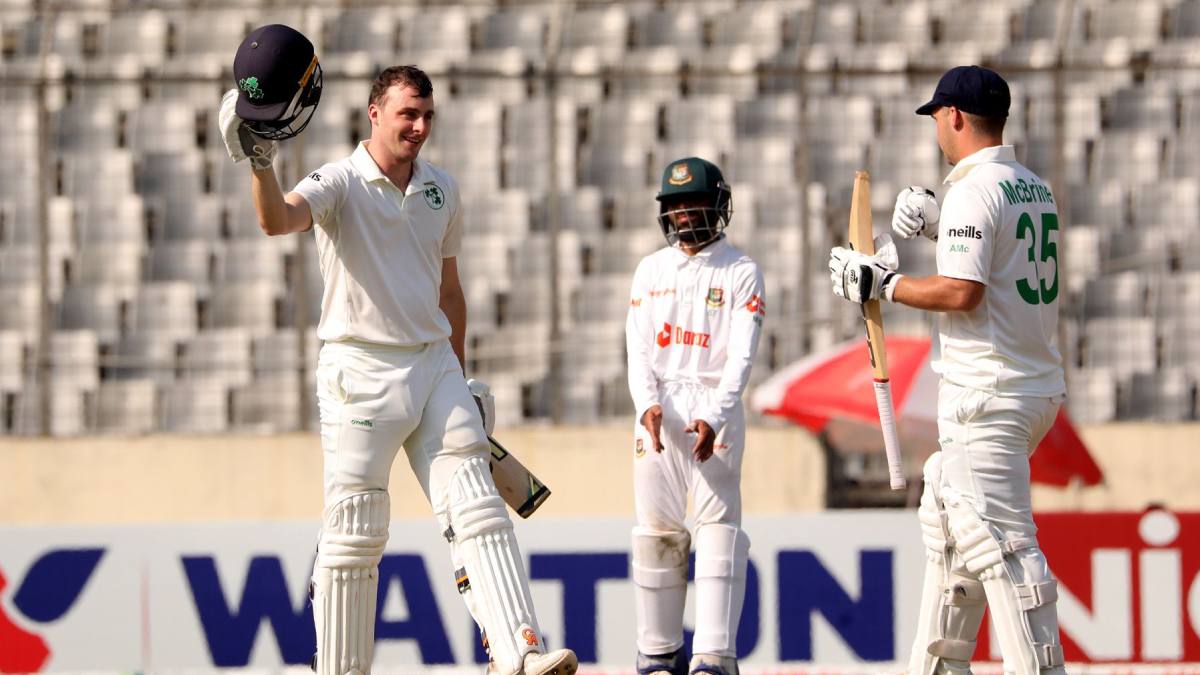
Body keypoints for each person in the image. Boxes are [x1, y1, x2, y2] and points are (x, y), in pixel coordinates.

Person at [217, 27, 577, 675]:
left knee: (477, 505)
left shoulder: (442, 188)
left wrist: (460, 375)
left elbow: (450, 289)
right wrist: (261, 161)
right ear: (374, 113)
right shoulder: (340, 181)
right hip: (359, 371)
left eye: (427, 116)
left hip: (433, 364)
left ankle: (519, 650)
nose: (418, 126)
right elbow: (278, 221)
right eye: (407, 114)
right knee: (356, 531)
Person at [828, 65, 1069, 675]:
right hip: (1029, 388)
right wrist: (939, 223)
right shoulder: (1030, 185)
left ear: (955, 116)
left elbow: (965, 292)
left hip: (987, 395)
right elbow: (1003, 264)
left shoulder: (974, 190)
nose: (936, 125)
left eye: (937, 114)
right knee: (950, 540)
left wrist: (885, 281)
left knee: (1006, 553)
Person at [626, 157, 765, 675]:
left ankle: (713, 657)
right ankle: (658, 655)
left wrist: (717, 415)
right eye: (676, 205)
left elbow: (740, 358)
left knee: (717, 531)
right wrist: (646, 406)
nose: (685, 214)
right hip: (659, 413)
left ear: (718, 205)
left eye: (696, 202)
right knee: (656, 533)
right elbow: (637, 350)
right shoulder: (651, 270)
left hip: (714, 410)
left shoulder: (741, 271)